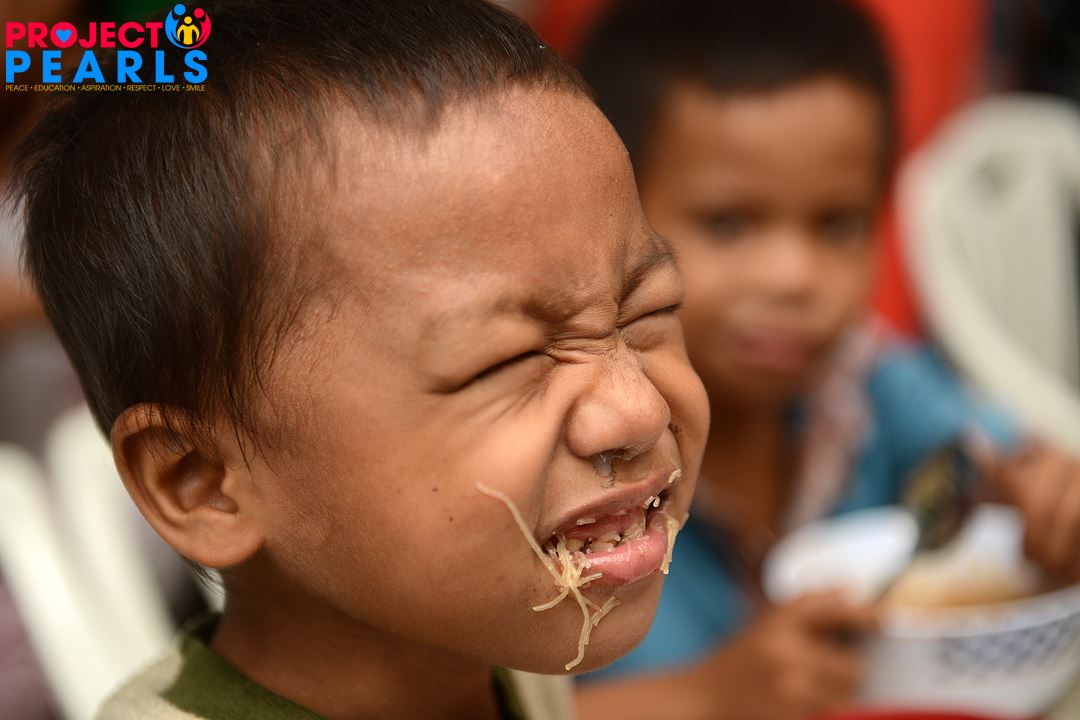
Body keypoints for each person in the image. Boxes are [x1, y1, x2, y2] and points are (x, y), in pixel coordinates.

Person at [8, 1, 711, 718]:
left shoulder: (506, 649)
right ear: (203, 481)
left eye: (646, 313)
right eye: (503, 362)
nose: (638, 409)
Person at [575, 1, 1080, 718]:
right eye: (729, 222)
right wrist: (710, 698)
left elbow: (996, 463)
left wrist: (1045, 500)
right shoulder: (576, 461)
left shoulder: (865, 384)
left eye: (837, 223)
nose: (794, 277)